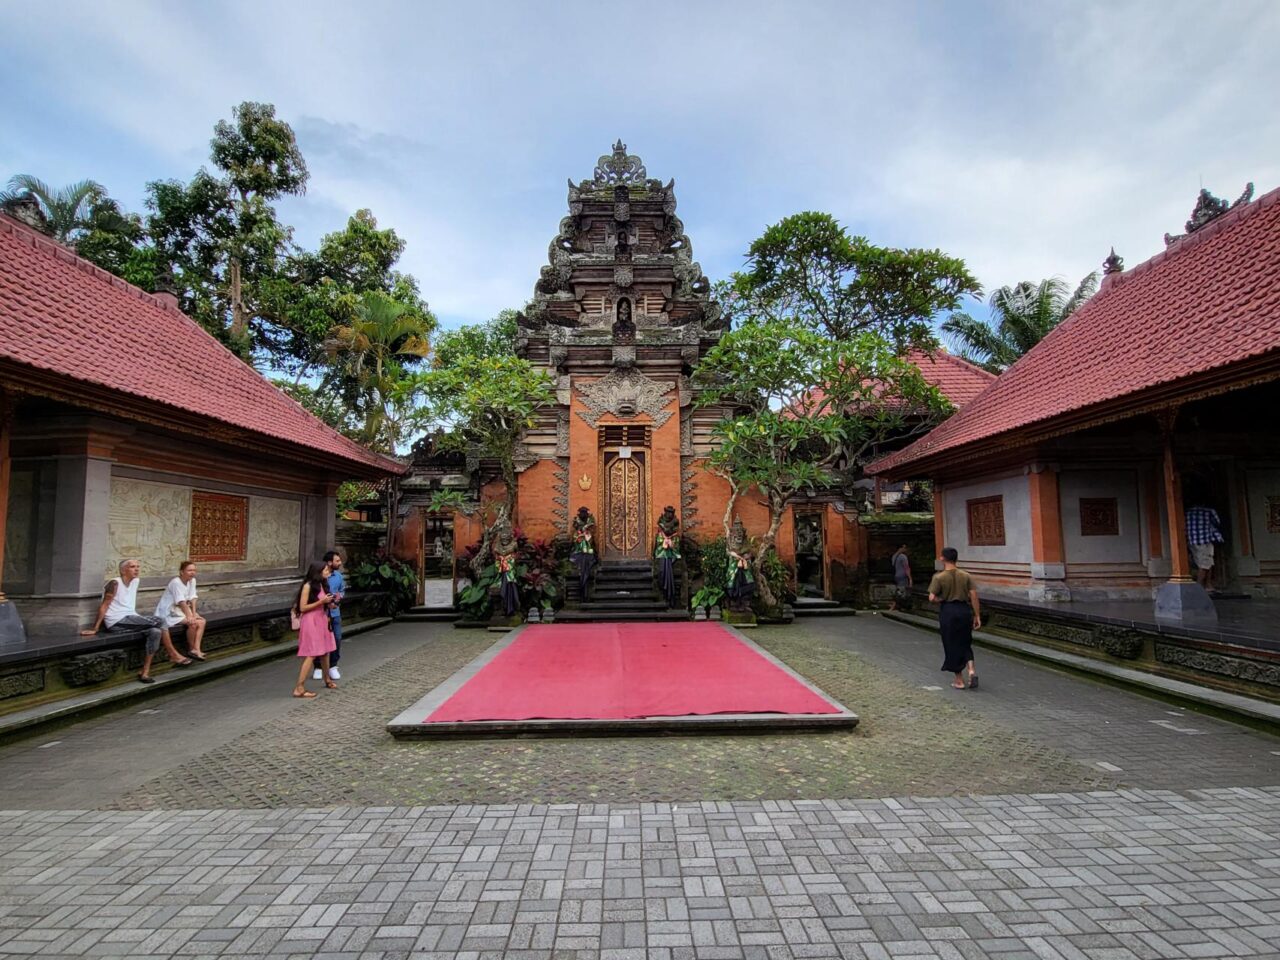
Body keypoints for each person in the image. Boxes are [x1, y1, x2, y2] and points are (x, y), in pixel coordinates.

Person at [81, 559, 192, 684]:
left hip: (131, 619)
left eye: (138, 566)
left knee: (155, 632)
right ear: (123, 570)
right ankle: (173, 655)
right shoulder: (114, 583)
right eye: (132, 567)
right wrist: (95, 628)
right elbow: (104, 605)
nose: (137, 569)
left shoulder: (136, 581)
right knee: (160, 620)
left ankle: (145, 672)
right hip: (117, 621)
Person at [928, 547, 980, 690]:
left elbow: (931, 597)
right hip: (964, 610)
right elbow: (974, 596)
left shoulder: (939, 577)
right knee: (965, 641)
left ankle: (959, 680)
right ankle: (971, 669)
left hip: (948, 611)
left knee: (951, 643)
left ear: (943, 558)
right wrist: (977, 615)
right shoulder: (966, 575)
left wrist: (941, 599)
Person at [292, 560, 338, 698]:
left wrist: (331, 604)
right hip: (311, 621)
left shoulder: (323, 585)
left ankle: (327, 679)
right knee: (312, 653)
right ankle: (299, 687)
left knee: (325, 651)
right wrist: (321, 602)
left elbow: (324, 603)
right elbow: (302, 608)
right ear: (317, 572)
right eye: (325, 570)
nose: (328, 572)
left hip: (322, 619)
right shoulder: (308, 586)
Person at [155, 560, 207, 660]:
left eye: (194, 570)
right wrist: (190, 616)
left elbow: (193, 597)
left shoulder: (192, 581)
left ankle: (197, 648)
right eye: (189, 570)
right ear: (182, 572)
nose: (192, 572)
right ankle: (192, 649)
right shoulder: (176, 582)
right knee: (193, 623)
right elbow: (181, 601)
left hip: (181, 609)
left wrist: (194, 613)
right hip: (169, 611)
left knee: (202, 621)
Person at [313, 550, 345, 681]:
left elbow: (342, 590)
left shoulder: (338, 576)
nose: (340, 562)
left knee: (337, 638)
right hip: (320, 613)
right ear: (329, 562)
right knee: (319, 640)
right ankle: (318, 667)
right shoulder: (318, 577)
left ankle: (333, 666)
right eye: (337, 561)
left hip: (335, 612)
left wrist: (339, 597)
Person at [1185, 500, 1225, 591]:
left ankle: (1208, 585)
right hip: (1205, 540)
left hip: (1192, 541)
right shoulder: (1209, 511)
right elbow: (1217, 522)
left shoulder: (1188, 512)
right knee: (1204, 564)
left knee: (1207, 562)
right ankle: (1199, 587)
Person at [654, 505, 681, 608]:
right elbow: (659, 543)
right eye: (667, 512)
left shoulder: (675, 529)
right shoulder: (661, 529)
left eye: (671, 513)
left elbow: (676, 544)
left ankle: (670, 597)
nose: (669, 515)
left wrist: (670, 542)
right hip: (662, 554)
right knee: (662, 569)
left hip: (671, 555)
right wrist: (664, 541)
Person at [571, 506, 596, 600]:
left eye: (584, 513)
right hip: (580, 548)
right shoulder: (576, 522)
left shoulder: (590, 521)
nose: (583, 515)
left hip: (587, 547)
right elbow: (577, 532)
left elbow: (591, 531)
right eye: (581, 513)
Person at [890, 545, 913, 611]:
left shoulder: (894, 556)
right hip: (903, 576)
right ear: (900, 548)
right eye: (904, 547)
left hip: (896, 575)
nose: (905, 549)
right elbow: (906, 568)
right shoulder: (903, 557)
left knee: (899, 590)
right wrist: (910, 578)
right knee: (903, 592)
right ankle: (900, 606)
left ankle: (896, 605)